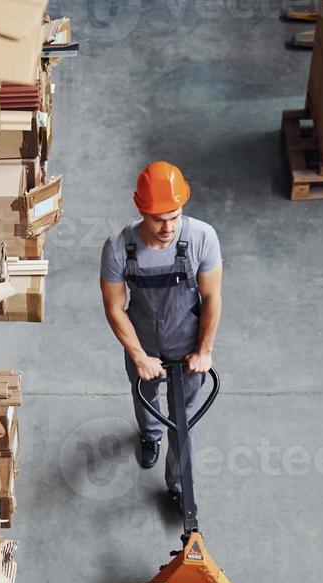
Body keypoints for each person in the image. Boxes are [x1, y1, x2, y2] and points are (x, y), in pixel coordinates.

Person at [99, 161, 223, 508]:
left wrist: (204, 350)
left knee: (184, 421)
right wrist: (139, 356)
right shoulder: (118, 247)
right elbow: (114, 308)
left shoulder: (202, 237)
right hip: (144, 345)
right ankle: (150, 435)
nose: (168, 227)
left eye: (174, 216)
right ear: (141, 210)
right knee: (146, 399)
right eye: (157, 218)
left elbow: (212, 297)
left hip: (188, 347)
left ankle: (181, 489)